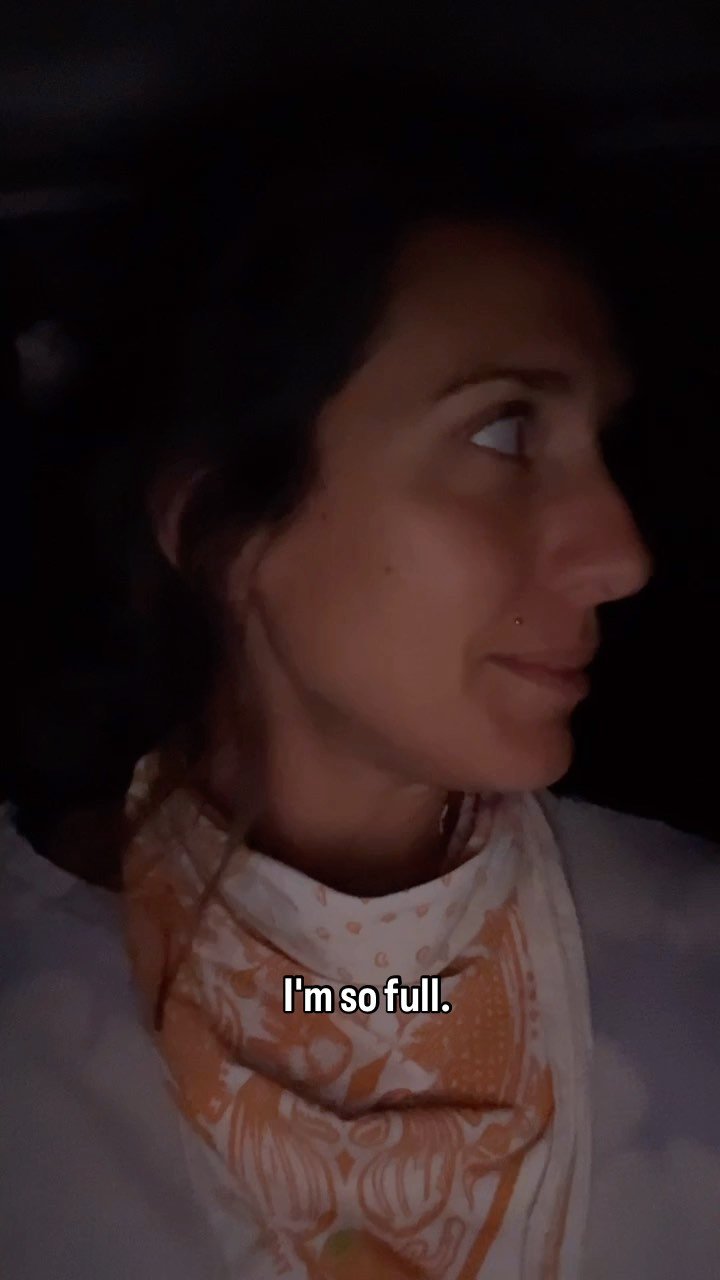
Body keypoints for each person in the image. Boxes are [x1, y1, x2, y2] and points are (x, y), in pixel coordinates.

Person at [1, 76, 719, 1280]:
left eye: (602, 444)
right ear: (220, 526)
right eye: (503, 432)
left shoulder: (700, 962)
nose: (621, 554)